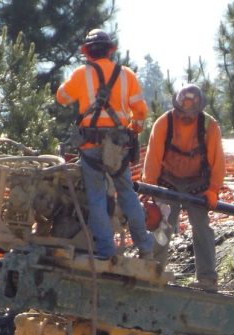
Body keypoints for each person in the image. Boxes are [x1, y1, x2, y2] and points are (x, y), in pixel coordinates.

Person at [56, 29, 155, 260]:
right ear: (111, 50)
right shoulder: (126, 75)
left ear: (87, 52)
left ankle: (106, 252)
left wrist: (69, 84)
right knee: (127, 194)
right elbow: (140, 111)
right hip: (118, 145)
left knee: (96, 198)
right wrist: (134, 129)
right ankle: (146, 248)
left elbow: (62, 98)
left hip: (90, 145)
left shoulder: (81, 74)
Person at [141, 84, 226, 292]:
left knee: (201, 226)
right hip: (168, 181)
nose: (186, 115)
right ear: (176, 107)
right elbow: (152, 158)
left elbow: (218, 160)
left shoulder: (209, 126)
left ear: (199, 110)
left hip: (198, 183)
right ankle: (153, 272)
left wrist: (213, 189)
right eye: (183, 110)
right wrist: (148, 189)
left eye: (191, 111)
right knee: (161, 224)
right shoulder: (164, 123)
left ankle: (207, 278)